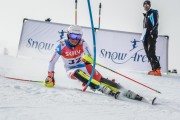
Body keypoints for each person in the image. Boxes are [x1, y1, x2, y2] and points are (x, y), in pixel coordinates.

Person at [44, 25, 151, 103]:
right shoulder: (61, 45)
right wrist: (50, 76)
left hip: (84, 66)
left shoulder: (83, 43)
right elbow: (52, 62)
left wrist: (88, 59)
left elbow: (91, 57)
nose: (74, 40)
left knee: (102, 80)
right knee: (77, 72)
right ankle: (100, 88)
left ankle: (126, 91)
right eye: (72, 36)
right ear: (68, 35)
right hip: (71, 70)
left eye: (78, 37)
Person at [142, 0, 161, 76]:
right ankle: (154, 69)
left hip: (151, 35)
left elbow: (156, 23)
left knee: (151, 51)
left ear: (149, 5)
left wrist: (152, 32)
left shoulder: (153, 12)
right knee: (147, 52)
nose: (146, 6)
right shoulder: (146, 15)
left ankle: (157, 69)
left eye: (147, 5)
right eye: (144, 5)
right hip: (145, 36)